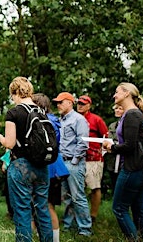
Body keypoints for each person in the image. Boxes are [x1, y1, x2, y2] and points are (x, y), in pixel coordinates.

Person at [0, 77, 52, 242]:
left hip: (21, 166)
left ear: (15, 93)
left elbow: (10, 143)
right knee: (42, 209)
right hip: (42, 166)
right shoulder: (41, 111)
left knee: (22, 210)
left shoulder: (14, 112)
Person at [103, 82, 143, 241]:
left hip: (133, 168)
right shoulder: (133, 113)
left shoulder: (132, 114)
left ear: (126, 93)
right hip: (140, 166)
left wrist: (111, 146)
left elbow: (130, 146)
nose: (114, 95)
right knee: (139, 207)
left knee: (119, 208)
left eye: (117, 92)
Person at [52, 92, 92, 236]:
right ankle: (68, 225)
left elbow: (83, 143)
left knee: (78, 196)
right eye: (57, 102)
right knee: (67, 197)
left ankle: (85, 229)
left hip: (74, 162)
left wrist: (74, 161)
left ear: (70, 102)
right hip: (62, 162)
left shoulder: (78, 119)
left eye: (61, 102)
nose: (58, 105)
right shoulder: (60, 120)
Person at [32, 93, 67, 242]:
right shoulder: (54, 120)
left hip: (49, 168)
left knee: (47, 205)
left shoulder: (43, 121)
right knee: (43, 205)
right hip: (54, 166)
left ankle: (53, 238)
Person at [76, 95, 108, 223]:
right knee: (78, 188)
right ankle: (78, 214)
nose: (80, 105)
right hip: (77, 158)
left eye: (83, 103)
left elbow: (106, 136)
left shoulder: (96, 119)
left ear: (89, 105)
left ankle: (93, 215)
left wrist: (102, 151)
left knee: (94, 186)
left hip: (93, 158)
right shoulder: (73, 118)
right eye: (78, 103)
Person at [104, 104, 124, 193]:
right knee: (114, 183)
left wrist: (114, 145)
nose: (117, 110)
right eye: (116, 108)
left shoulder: (127, 124)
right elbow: (110, 139)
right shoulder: (113, 125)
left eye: (120, 109)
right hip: (113, 158)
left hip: (123, 158)